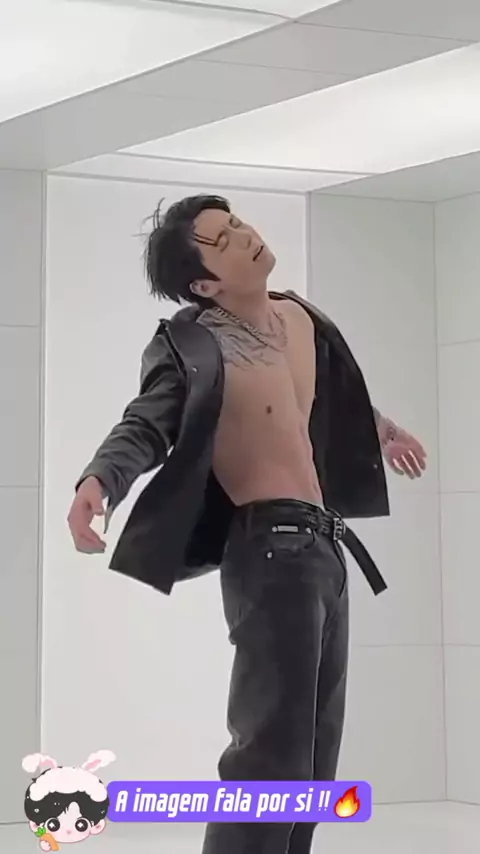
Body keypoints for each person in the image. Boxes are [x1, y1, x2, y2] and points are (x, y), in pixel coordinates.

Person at [67, 195, 426, 854]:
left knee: (314, 765)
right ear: (205, 284)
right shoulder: (196, 343)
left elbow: (323, 399)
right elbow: (146, 422)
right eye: (223, 239)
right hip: (270, 550)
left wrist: (382, 427)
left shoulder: (300, 319)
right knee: (269, 758)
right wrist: (100, 480)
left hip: (326, 548)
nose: (245, 235)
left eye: (236, 224)